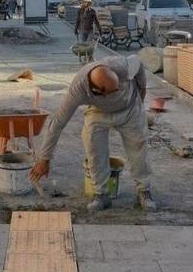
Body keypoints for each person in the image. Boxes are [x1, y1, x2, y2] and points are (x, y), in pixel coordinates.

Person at [29, 55, 156, 212]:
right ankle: (101, 194)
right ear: (98, 91)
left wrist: (142, 94)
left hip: (130, 108)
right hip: (99, 112)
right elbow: (58, 123)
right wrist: (44, 159)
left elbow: (138, 62)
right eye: (113, 91)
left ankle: (144, 191)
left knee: (138, 149)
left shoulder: (120, 66)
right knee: (94, 149)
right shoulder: (78, 89)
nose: (117, 90)